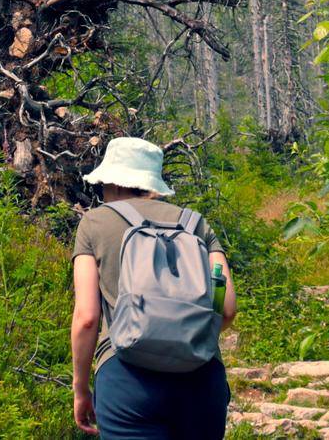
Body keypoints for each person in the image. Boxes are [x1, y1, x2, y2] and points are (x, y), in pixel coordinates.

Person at [70, 136, 236, 438]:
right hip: (201, 380)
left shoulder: (93, 224)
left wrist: (81, 388)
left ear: (114, 182)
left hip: (126, 380)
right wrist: (186, 335)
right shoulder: (197, 225)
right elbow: (225, 308)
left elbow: (87, 317)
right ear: (152, 183)